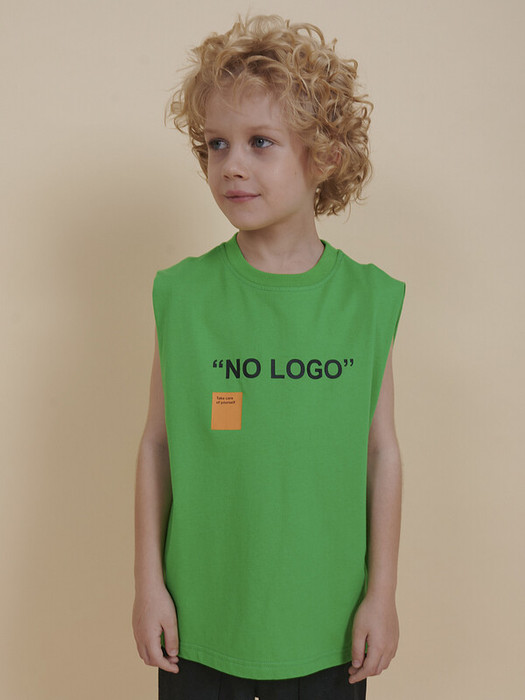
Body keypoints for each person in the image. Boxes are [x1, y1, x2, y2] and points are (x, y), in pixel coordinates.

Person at [132, 14, 406, 700]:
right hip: (200, 623)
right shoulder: (183, 295)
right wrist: (148, 586)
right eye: (215, 144)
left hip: (327, 628)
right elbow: (157, 445)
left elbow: (380, 452)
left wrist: (381, 595)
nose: (232, 164)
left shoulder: (367, 300)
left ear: (325, 155)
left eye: (260, 142)